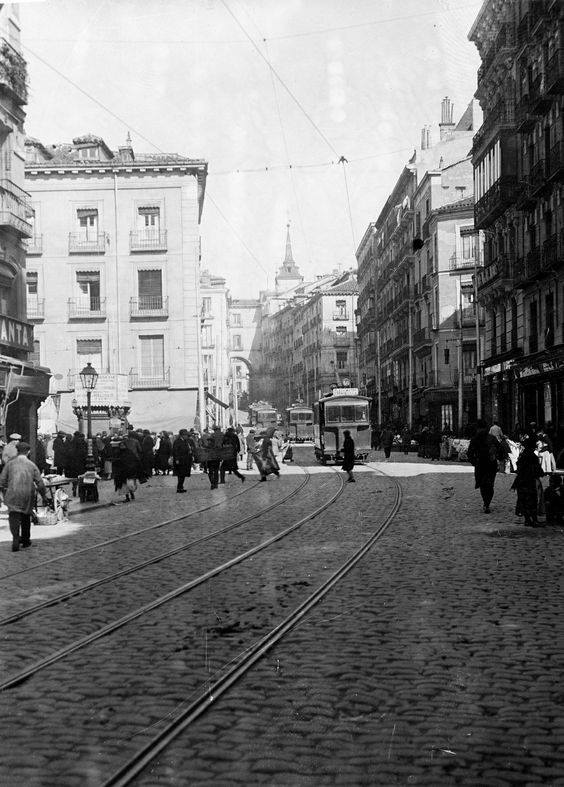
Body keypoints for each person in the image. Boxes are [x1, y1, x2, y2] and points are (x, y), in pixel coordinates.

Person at [0, 442, 50, 552]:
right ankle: (26, 540)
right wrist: (44, 497)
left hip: (12, 493)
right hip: (27, 494)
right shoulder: (31, 465)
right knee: (26, 516)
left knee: (13, 516)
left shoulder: (10, 464)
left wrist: (3, 494)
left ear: (17, 451)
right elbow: (40, 483)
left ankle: (15, 537)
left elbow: (2, 481)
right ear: (28, 452)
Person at [467, 419, 500, 514]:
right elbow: (500, 449)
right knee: (490, 484)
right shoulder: (492, 438)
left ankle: (486, 503)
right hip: (491, 464)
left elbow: (469, 453)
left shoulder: (474, 439)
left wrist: (474, 462)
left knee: (482, 484)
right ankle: (487, 503)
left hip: (480, 464)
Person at [511, 437, 544, 527]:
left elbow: (519, 467)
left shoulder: (523, 455)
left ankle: (527, 520)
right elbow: (537, 470)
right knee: (532, 501)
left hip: (521, 481)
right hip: (529, 481)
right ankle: (534, 520)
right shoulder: (532, 456)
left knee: (523, 501)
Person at [112, 433, 142, 503]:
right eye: (121, 445)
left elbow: (133, 460)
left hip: (129, 471)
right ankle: (127, 497)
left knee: (129, 485)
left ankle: (131, 494)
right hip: (122, 472)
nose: (122, 446)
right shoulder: (118, 453)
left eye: (123, 445)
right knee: (124, 486)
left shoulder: (129, 452)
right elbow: (116, 461)